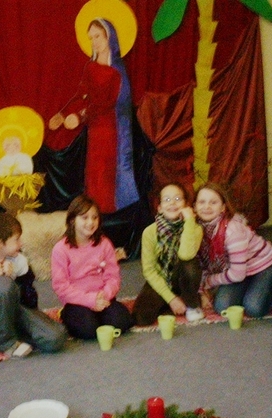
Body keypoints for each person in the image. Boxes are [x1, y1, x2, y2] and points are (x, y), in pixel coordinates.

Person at [48, 19, 139, 214]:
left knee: (106, 168)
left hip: (111, 128)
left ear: (109, 37)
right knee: (94, 169)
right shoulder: (90, 67)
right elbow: (82, 95)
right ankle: (94, 210)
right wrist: (63, 114)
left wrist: (80, 117)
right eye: (91, 38)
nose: (94, 42)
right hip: (95, 128)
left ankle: (108, 210)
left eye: (97, 36)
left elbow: (107, 104)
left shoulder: (117, 71)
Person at [0, 213, 67, 354]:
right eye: (16, 240)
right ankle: (4, 342)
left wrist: (15, 281)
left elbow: (31, 302)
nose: (21, 244)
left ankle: (13, 336)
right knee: (2, 284)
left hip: (15, 315)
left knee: (56, 337)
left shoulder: (19, 261)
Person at [51, 195, 134, 339]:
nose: (90, 222)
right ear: (72, 220)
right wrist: (90, 300)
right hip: (77, 301)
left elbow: (113, 277)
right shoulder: (60, 249)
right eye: (84, 218)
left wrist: (104, 295)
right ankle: (67, 314)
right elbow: (61, 286)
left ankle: (97, 316)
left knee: (123, 321)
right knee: (88, 330)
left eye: (95, 217)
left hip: (104, 298)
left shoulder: (104, 243)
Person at [194, 183, 272, 317]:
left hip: (263, 266)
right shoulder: (196, 230)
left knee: (253, 309)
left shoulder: (232, 230)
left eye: (213, 202)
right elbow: (201, 265)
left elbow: (236, 275)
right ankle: (251, 289)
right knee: (222, 307)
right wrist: (202, 291)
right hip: (238, 271)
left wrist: (209, 281)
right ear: (195, 206)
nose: (207, 207)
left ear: (223, 207)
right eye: (202, 202)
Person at [132, 183, 204, 326]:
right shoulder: (149, 232)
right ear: (159, 208)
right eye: (167, 199)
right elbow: (149, 270)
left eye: (178, 199)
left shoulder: (195, 228)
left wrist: (189, 221)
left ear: (186, 204)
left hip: (183, 278)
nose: (172, 203)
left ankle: (191, 304)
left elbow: (186, 255)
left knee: (190, 265)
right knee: (141, 318)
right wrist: (171, 299)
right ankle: (174, 301)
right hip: (162, 277)